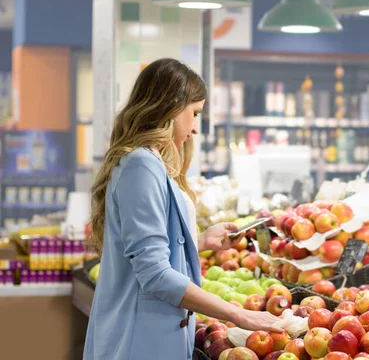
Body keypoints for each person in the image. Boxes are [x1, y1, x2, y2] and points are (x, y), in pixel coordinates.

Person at [84, 59, 282, 360]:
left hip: (151, 336)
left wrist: (199, 243)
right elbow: (154, 274)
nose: (195, 129)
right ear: (171, 107)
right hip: (141, 341)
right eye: (195, 114)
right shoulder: (142, 165)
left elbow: (149, 248)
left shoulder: (149, 163)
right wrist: (239, 315)